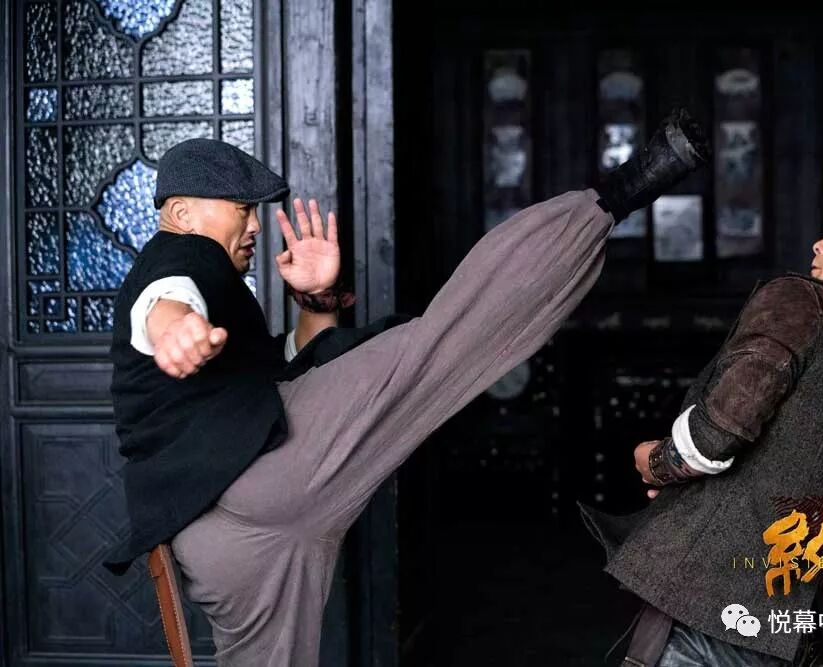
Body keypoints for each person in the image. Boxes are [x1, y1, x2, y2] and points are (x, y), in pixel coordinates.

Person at [103, 112, 710, 666]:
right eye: (242, 209)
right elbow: (166, 296)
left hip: (217, 547)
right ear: (182, 214)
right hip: (252, 483)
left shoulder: (217, 307)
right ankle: (617, 195)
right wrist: (175, 329)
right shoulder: (180, 255)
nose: (255, 224)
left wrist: (316, 299)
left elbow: (296, 369)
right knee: (443, 340)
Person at [582, 194, 823, 666]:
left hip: (715, 605)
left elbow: (715, 434)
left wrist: (660, 462)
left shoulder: (803, 302)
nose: (820, 243)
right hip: (811, 633)